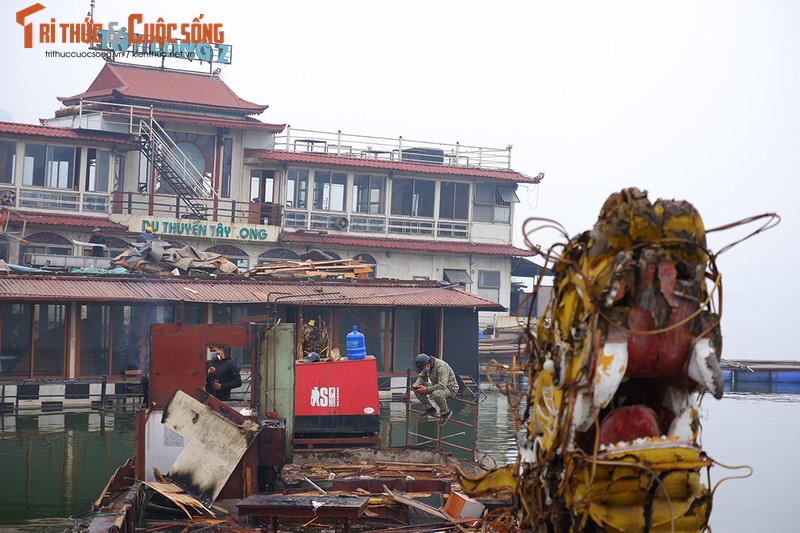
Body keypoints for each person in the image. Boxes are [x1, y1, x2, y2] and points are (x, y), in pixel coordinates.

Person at [412, 353, 458, 425]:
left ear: (427, 363)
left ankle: (445, 412)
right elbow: (421, 377)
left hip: (449, 387)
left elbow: (442, 385)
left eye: (423, 368)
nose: (424, 370)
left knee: (436, 394)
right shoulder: (426, 366)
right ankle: (430, 409)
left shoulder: (441, 366)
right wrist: (417, 384)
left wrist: (426, 390)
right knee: (416, 388)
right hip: (436, 386)